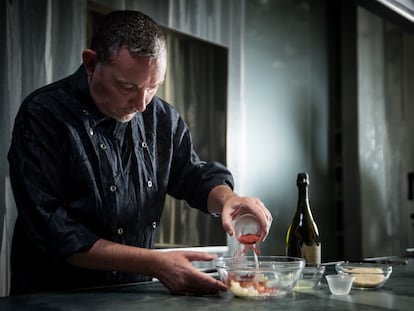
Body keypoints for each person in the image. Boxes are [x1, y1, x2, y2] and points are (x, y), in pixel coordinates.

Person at [7, 10, 273, 296]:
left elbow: (192, 175)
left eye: (153, 87)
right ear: (91, 63)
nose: (142, 104)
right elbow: (54, 232)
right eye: (127, 87)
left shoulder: (161, 117)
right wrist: (157, 264)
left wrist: (228, 200)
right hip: (52, 298)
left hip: (134, 295)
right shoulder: (43, 114)